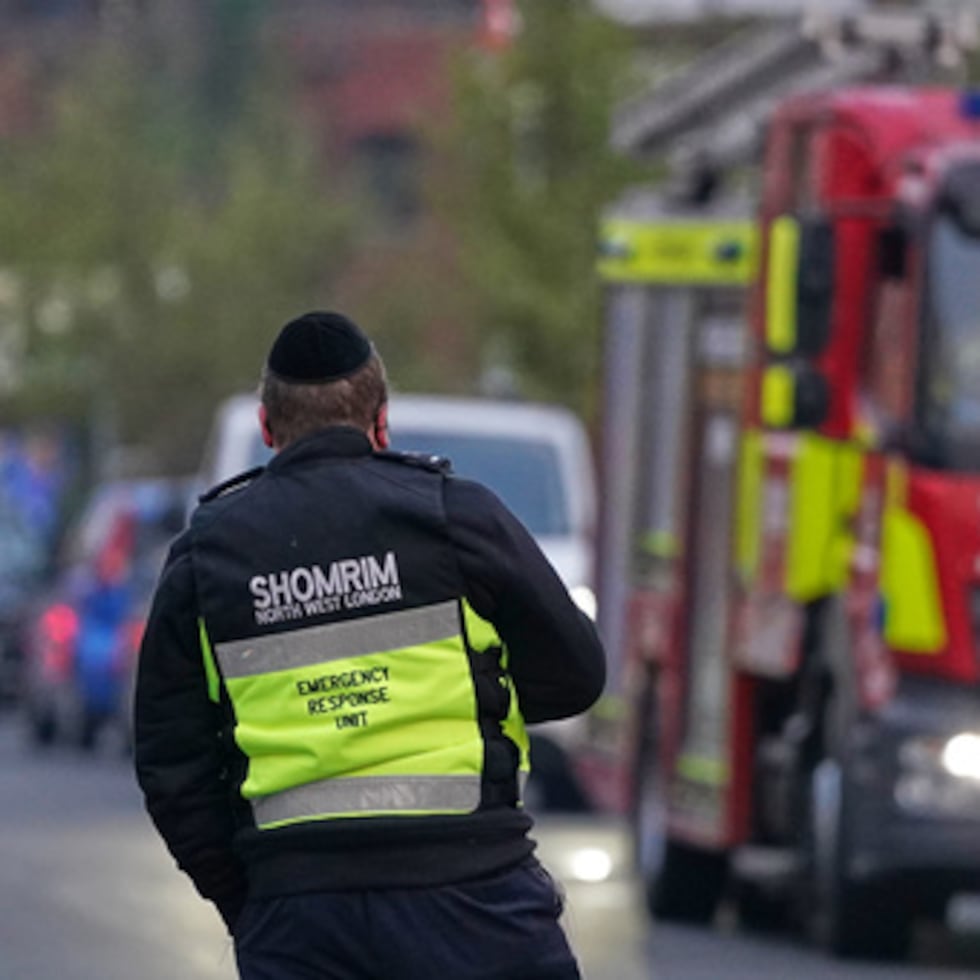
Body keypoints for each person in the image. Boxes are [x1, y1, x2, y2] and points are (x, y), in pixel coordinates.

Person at [134, 310, 606, 980]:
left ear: (269, 431)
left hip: (300, 919)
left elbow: (168, 763)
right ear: (381, 421)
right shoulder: (456, 517)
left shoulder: (205, 559)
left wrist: (256, 902)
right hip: (476, 900)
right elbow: (578, 674)